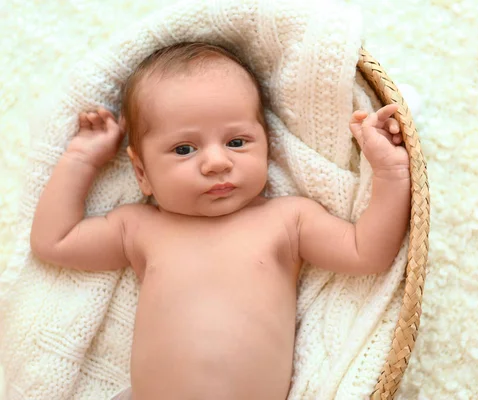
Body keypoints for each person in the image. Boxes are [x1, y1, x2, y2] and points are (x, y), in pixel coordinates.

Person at [30, 42, 411, 400]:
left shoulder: (287, 219)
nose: (216, 162)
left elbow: (367, 253)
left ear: (268, 146)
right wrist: (82, 158)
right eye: (184, 149)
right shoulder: (139, 227)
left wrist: (389, 172)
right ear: (141, 173)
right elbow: (54, 241)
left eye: (237, 142)